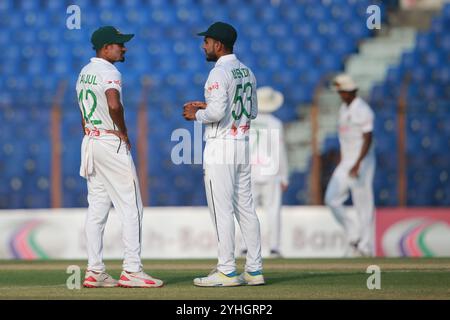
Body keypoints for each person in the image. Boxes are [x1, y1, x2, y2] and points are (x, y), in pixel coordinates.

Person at [76, 26, 163, 288]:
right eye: (119, 44)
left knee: (98, 208)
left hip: (91, 140)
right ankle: (132, 270)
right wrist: (123, 132)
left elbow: (82, 111)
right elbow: (114, 104)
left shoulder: (84, 73)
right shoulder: (109, 71)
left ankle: (94, 270)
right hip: (110, 141)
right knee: (131, 206)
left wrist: (93, 131)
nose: (123, 48)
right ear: (105, 48)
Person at [183, 22, 264, 286]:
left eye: (206, 42)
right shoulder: (247, 71)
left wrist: (196, 114)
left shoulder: (219, 73)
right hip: (242, 143)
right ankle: (254, 270)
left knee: (221, 210)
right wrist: (213, 107)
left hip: (221, 146)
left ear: (218, 45)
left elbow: (216, 114)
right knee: (246, 209)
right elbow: (250, 112)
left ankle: (227, 270)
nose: (203, 46)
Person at [325, 74, 376, 257]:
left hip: (362, 161)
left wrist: (358, 162)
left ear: (351, 91)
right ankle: (354, 234)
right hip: (347, 161)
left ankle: (366, 245)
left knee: (363, 202)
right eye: (340, 92)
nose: (341, 95)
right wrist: (345, 160)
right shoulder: (344, 109)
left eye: (342, 92)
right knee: (331, 198)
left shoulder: (362, 109)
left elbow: (368, 137)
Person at [241, 86, 289, 258]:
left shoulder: (247, 121)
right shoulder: (275, 123)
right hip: (271, 171)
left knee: (247, 209)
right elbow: (279, 150)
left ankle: (245, 246)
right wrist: (284, 175)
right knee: (273, 210)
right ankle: (274, 247)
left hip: (250, 171)